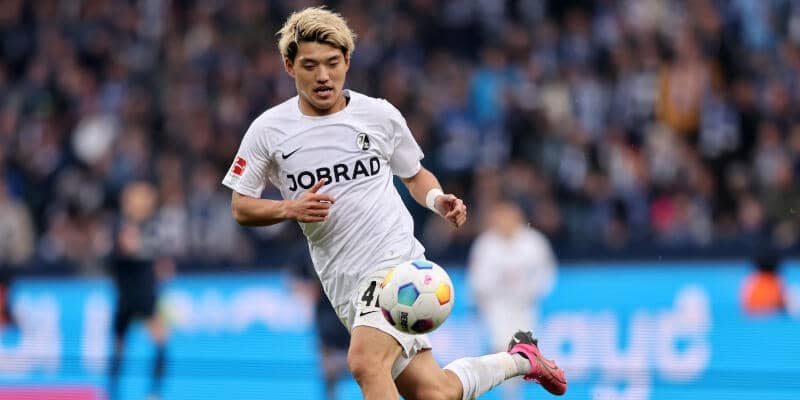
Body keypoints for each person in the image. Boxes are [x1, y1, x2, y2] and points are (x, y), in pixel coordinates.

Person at [222, 7, 566, 399]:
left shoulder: (378, 115)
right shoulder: (268, 131)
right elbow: (241, 206)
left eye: (333, 63)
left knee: (365, 362)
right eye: (310, 65)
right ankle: (521, 359)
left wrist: (437, 199)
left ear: (347, 61)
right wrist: (289, 208)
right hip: (342, 281)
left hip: (395, 263)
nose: (323, 76)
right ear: (289, 66)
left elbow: (415, 175)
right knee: (433, 391)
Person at [467, 201, 558, 400]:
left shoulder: (534, 242)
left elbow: (546, 274)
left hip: (524, 307)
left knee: (523, 355)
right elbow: (476, 281)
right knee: (503, 351)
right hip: (496, 309)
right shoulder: (486, 244)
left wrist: (530, 291)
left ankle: (514, 393)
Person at [108, 181, 173, 400]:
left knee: (161, 342)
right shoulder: (121, 226)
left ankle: (154, 393)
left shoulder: (151, 228)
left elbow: (162, 264)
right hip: (128, 294)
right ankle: (113, 393)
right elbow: (126, 249)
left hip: (146, 294)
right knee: (119, 348)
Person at [741, 248, 787, 315]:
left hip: (753, 313)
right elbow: (783, 304)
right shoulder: (777, 282)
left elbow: (746, 304)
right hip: (771, 312)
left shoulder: (751, 280)